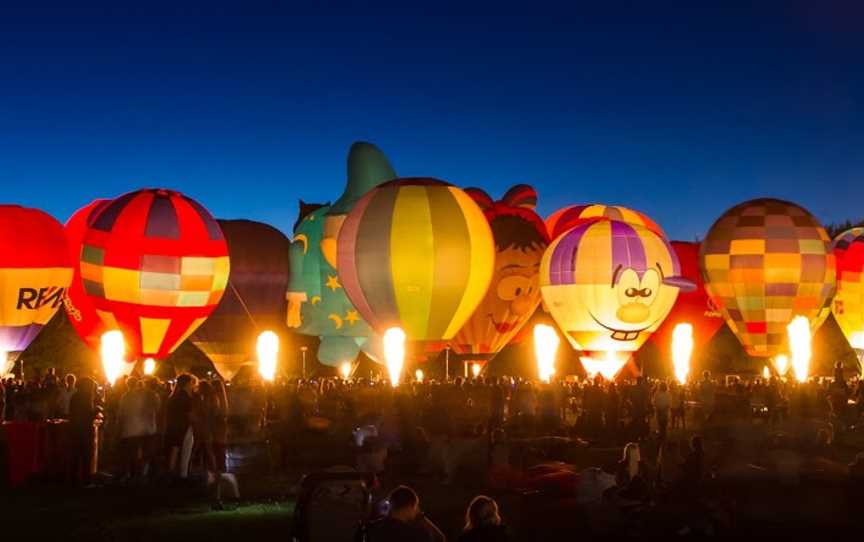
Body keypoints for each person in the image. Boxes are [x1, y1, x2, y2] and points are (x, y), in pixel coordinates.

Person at [365, 485, 446, 542]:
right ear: (411, 506)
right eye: (416, 507)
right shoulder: (417, 535)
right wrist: (420, 516)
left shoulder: (370, 528)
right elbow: (440, 539)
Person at [68, 378, 101, 486]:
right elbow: (87, 415)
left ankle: (74, 478)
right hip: (84, 431)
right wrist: (97, 410)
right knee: (86, 455)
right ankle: (86, 480)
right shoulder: (85, 398)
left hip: (74, 430)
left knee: (75, 455)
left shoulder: (75, 397)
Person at [165, 374, 198, 479]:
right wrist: (197, 422)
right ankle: (183, 475)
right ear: (188, 383)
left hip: (173, 426)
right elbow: (190, 414)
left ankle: (171, 473)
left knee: (174, 449)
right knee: (185, 452)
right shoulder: (185, 397)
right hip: (184, 427)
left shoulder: (173, 396)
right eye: (192, 383)